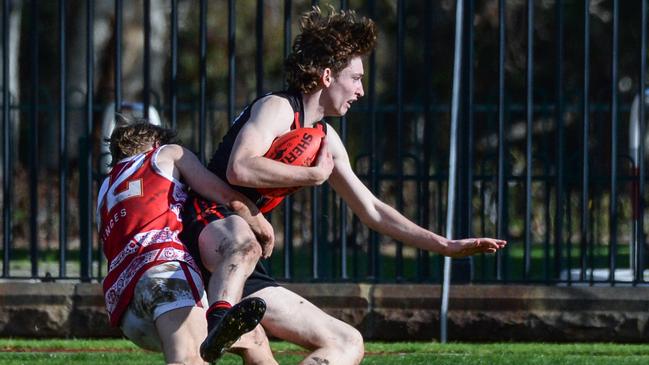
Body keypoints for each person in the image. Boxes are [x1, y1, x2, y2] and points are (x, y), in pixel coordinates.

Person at [181, 6, 507, 365]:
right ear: (326, 76)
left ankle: (228, 321)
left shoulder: (325, 139)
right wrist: (312, 176)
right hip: (211, 223)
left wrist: (443, 245)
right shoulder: (277, 107)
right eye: (355, 78)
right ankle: (220, 319)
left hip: (248, 260)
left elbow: (372, 210)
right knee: (244, 250)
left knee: (347, 342)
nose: (361, 90)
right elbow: (240, 167)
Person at [96, 121, 277, 365]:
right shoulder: (167, 153)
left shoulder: (105, 189)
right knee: (190, 360)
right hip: (164, 271)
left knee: (253, 338)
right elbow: (225, 196)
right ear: (157, 142)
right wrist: (258, 221)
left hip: (124, 306)